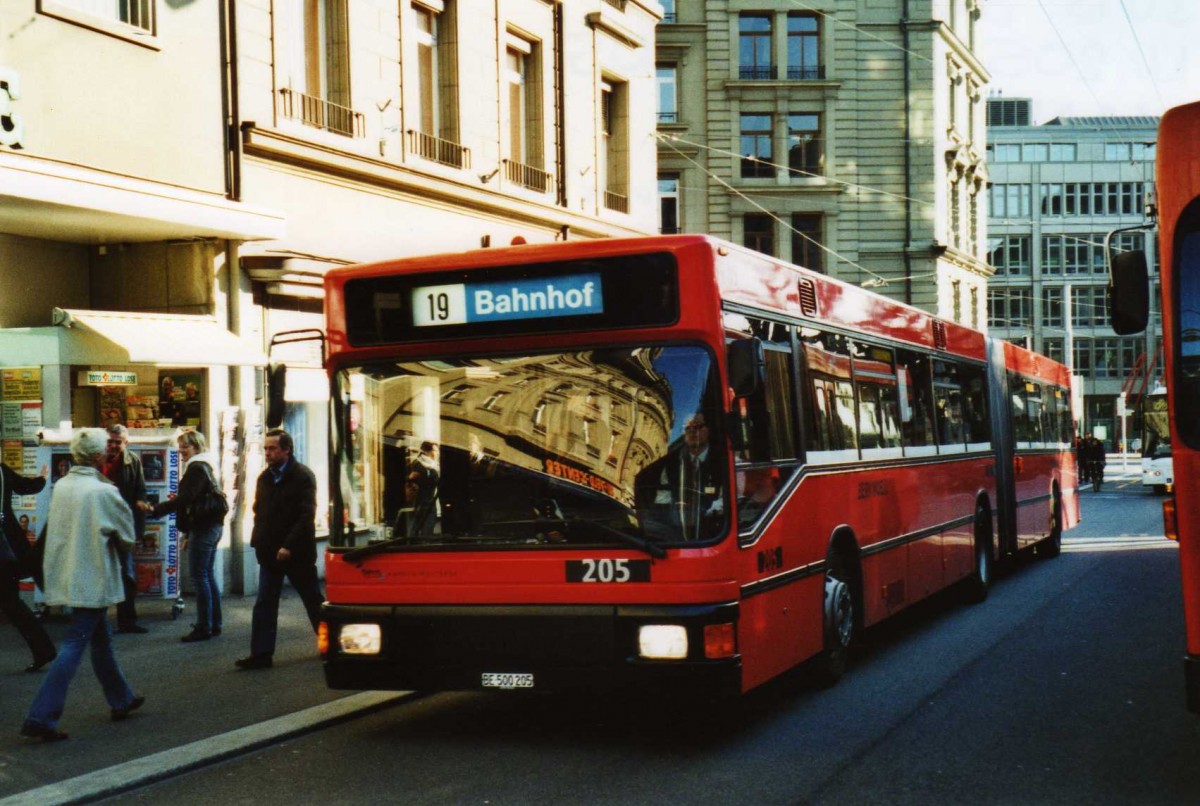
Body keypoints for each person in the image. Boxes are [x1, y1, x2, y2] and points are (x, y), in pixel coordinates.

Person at [20, 429, 144, 743]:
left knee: (101, 639)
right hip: (95, 576)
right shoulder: (104, 492)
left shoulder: (63, 485)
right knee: (75, 645)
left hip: (68, 573)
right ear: (99, 456)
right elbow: (127, 538)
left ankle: (121, 698)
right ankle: (41, 716)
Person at [236, 428, 324, 670]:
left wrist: (288, 545)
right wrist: (258, 542)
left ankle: (332, 643)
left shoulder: (303, 476)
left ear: (287, 450)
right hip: (269, 552)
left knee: (312, 599)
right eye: (265, 448)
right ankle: (261, 654)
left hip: (297, 553)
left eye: (272, 448)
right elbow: (259, 512)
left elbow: (305, 516)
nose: (267, 453)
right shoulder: (264, 478)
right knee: (265, 603)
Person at [140, 430, 223, 641]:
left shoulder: (196, 468)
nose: (181, 450)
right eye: (180, 446)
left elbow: (185, 499)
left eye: (185, 446)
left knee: (200, 577)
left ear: (197, 447)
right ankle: (214, 623)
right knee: (207, 575)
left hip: (203, 527)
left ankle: (204, 626)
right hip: (211, 525)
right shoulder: (206, 465)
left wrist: (155, 509)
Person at [0, 462, 56, 673]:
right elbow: (25, 487)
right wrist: (42, 478)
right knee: (11, 602)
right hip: (8, 546)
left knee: (11, 602)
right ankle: (43, 650)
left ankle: (43, 650)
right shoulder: (2, 470)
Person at [637, 413, 725, 539]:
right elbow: (663, 499)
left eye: (698, 426)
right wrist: (672, 508)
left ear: (709, 430)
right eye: (688, 428)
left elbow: (731, 499)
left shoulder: (724, 461)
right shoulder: (670, 465)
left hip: (715, 534)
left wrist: (709, 509)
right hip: (678, 534)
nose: (692, 431)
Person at [103, 424, 148, 634]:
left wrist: (138, 526)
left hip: (122, 524)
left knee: (127, 573)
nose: (112, 445)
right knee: (99, 572)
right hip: (99, 522)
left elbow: (141, 490)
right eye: (109, 441)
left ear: (126, 443)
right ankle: (97, 623)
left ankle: (127, 621)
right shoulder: (95, 458)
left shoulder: (133, 461)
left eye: (117, 442)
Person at [406, 441, 440, 537]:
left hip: (429, 503)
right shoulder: (419, 465)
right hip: (422, 505)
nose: (438, 453)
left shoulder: (433, 466)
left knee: (423, 531)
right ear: (428, 452)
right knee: (423, 533)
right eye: (435, 451)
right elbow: (413, 481)